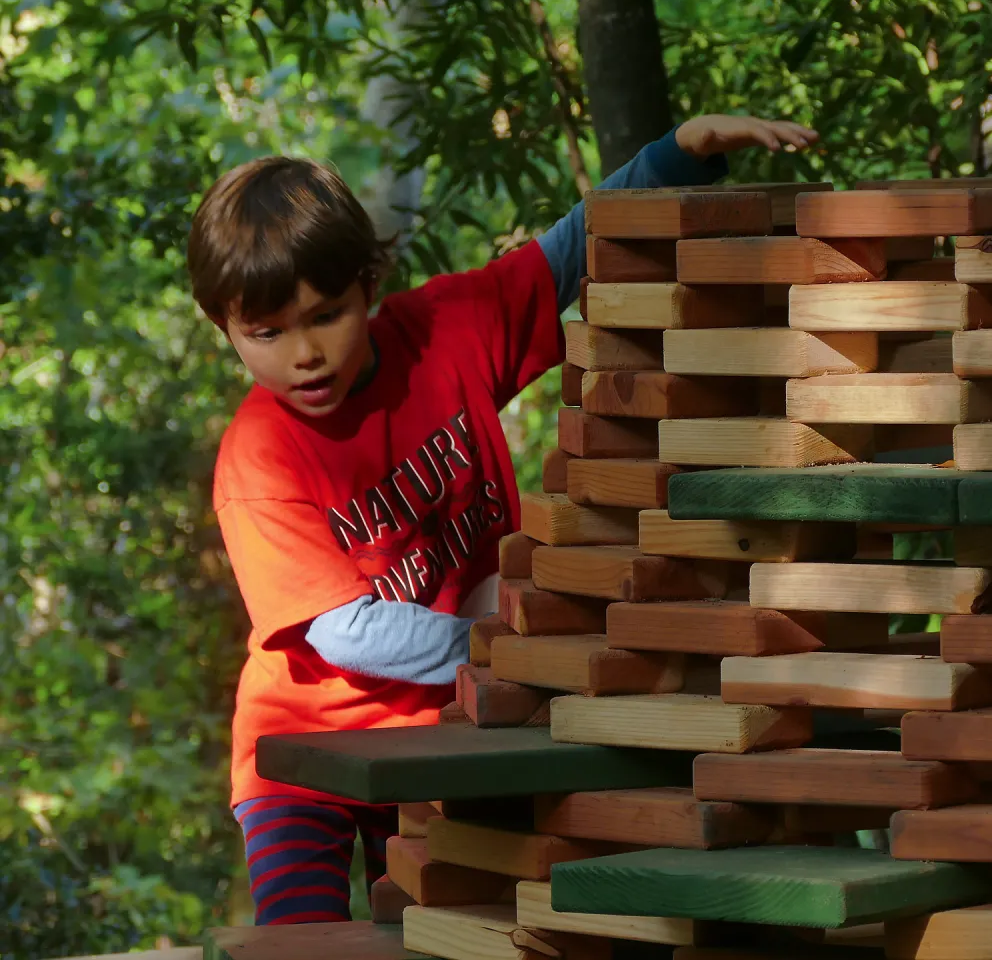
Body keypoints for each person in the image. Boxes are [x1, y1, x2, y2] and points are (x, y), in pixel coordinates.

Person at [186, 114, 818, 925]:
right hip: (301, 751)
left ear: (369, 285)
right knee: (307, 941)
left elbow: (563, 258)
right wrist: (505, 649)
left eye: (325, 315)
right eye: (265, 333)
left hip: (448, 730)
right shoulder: (259, 458)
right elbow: (344, 631)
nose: (301, 353)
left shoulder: (445, 333)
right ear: (225, 328)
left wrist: (676, 154)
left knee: (439, 925)